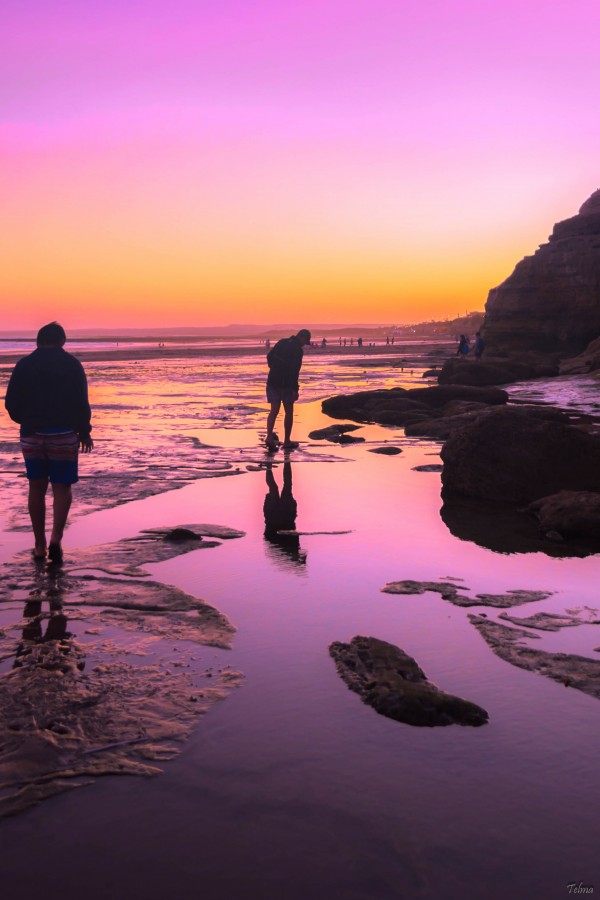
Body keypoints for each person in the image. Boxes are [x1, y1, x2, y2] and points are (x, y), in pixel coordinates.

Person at [5, 321, 93, 564]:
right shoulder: (72, 365)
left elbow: (11, 402)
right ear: (62, 341)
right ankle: (56, 539)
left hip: (32, 433)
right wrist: (84, 431)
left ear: (38, 341)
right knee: (62, 487)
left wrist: (27, 420)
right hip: (63, 434)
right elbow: (81, 402)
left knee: (36, 487)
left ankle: (39, 545)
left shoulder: (24, 365)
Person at [264, 328, 311, 451]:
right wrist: (295, 389)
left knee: (274, 410)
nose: (304, 345)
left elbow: (269, 356)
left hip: (273, 380)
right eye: (305, 342)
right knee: (288, 411)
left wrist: (274, 368)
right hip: (286, 384)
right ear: (302, 337)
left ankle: (269, 436)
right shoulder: (298, 350)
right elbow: (295, 371)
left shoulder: (282, 342)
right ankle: (286, 441)